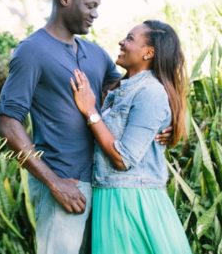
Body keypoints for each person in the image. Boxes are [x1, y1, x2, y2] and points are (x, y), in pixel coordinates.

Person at [0, 0, 171, 254]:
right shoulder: (32, 51)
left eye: (97, 6)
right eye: (90, 5)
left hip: (105, 190)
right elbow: (7, 125)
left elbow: (135, 95)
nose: (96, 13)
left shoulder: (96, 54)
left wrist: (165, 123)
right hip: (64, 184)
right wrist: (54, 183)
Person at [70, 20, 192, 254]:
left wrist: (90, 111)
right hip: (111, 195)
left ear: (149, 52)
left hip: (132, 200)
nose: (121, 42)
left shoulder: (150, 93)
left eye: (130, 38)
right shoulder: (122, 87)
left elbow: (123, 159)